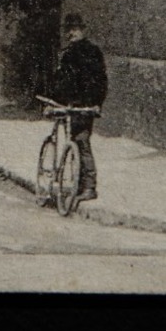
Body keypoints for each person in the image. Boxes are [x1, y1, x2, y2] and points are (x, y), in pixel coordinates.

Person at [52, 12, 108, 204]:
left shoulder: (92, 51)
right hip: (71, 105)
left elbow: (101, 81)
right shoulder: (67, 53)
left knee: (82, 142)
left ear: (82, 30)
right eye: (68, 30)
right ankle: (79, 183)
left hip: (86, 105)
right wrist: (57, 102)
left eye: (75, 29)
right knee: (73, 141)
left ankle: (90, 187)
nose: (71, 33)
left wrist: (96, 103)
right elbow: (62, 82)